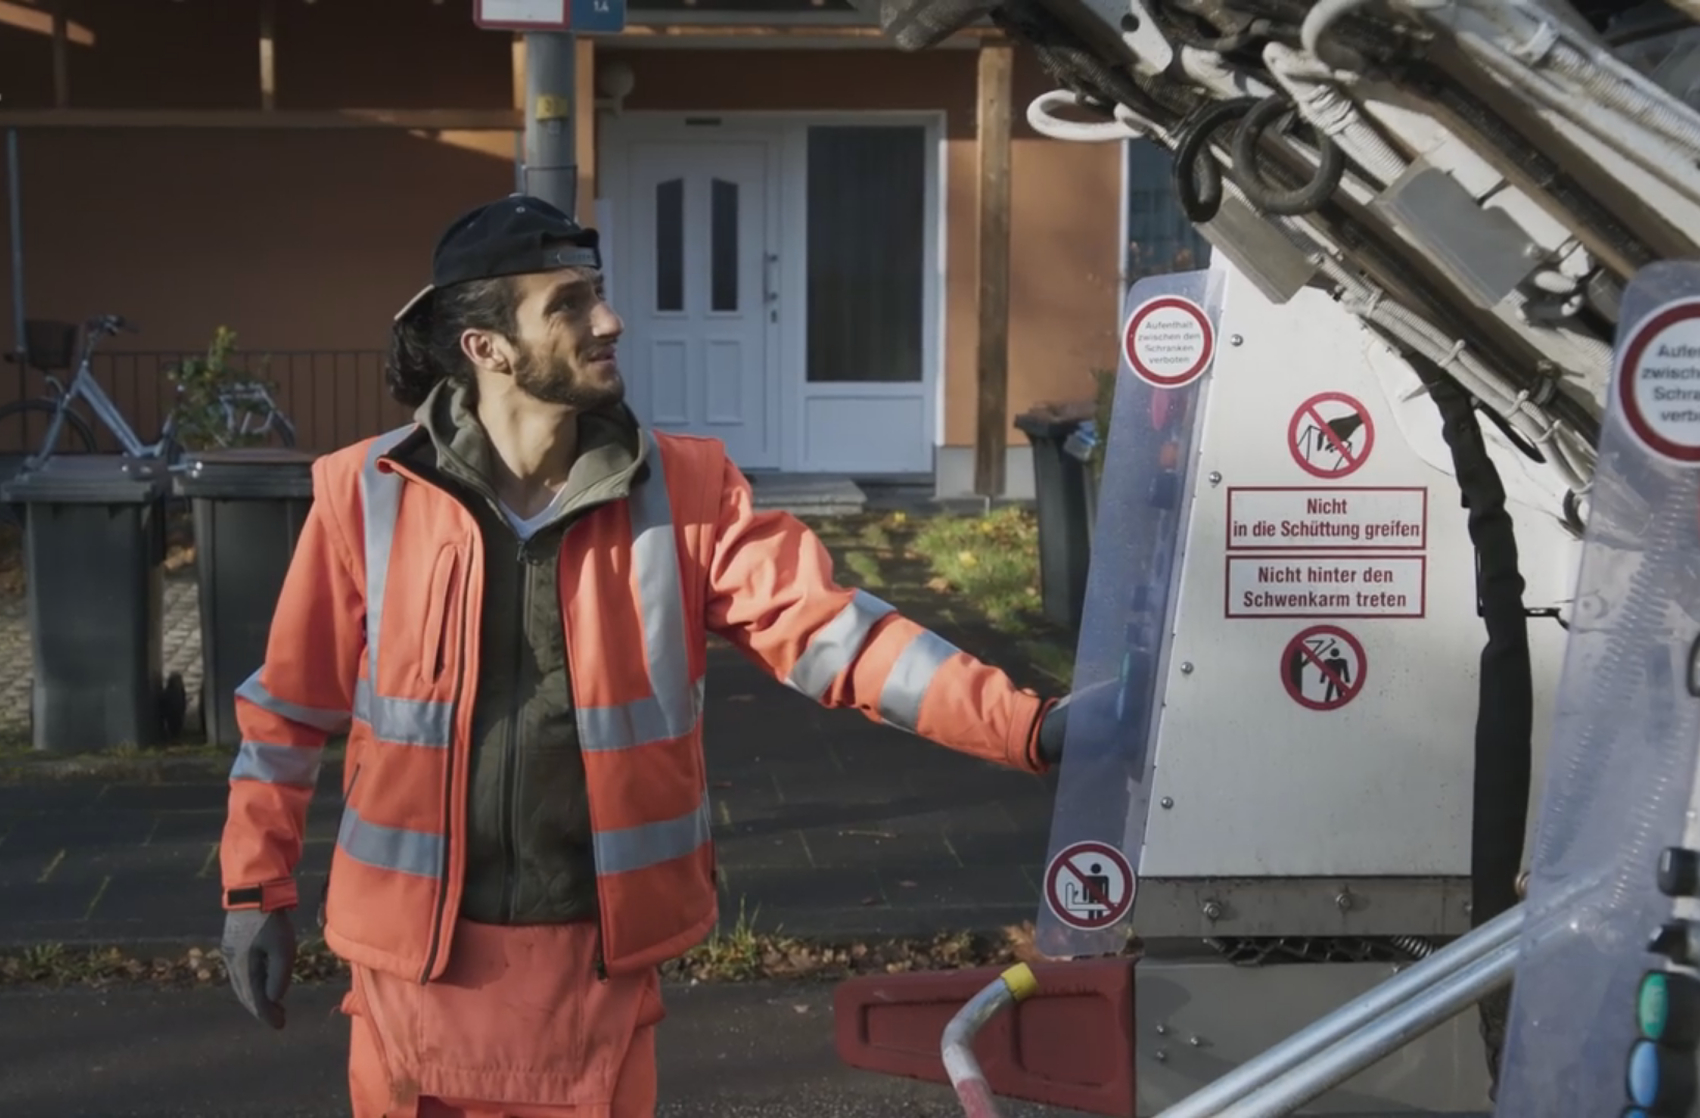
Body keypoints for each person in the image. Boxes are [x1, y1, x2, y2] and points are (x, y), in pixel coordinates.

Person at [217, 193, 1073, 1118]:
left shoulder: (688, 490)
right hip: (413, 970)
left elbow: (841, 638)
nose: (609, 321)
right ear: (486, 347)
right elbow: (288, 712)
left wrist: (1027, 727)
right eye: (571, 303)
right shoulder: (365, 493)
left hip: (595, 965)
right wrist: (254, 890)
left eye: (600, 294)